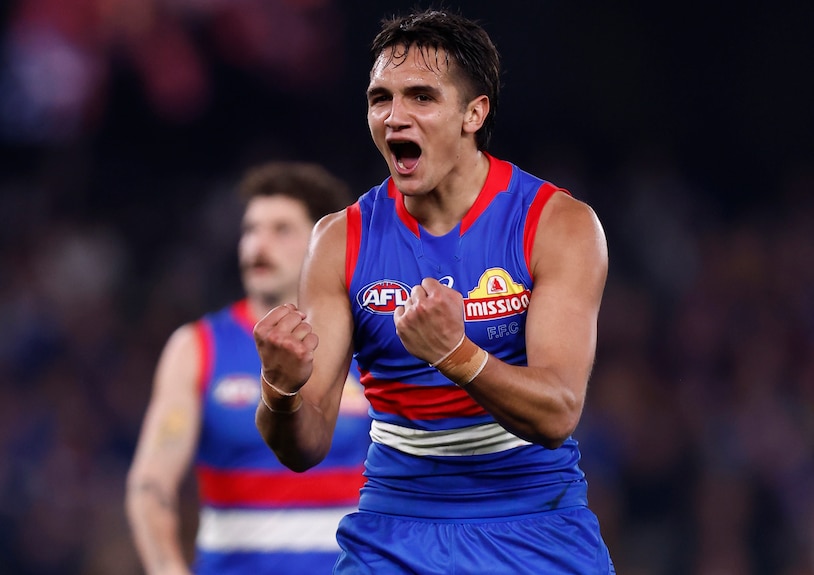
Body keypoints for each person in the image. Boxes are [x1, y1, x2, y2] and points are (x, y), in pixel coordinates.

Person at [253, 8, 615, 575]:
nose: (396, 117)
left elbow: (558, 413)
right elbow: (306, 446)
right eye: (380, 99)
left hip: (533, 524)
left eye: (422, 97)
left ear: (475, 113)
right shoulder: (339, 239)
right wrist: (279, 388)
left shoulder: (556, 224)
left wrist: (454, 353)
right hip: (394, 533)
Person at [125, 162, 371, 575]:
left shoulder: (370, 345)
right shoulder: (196, 348)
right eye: (250, 229)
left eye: (281, 230)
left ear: (323, 242)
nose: (258, 245)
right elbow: (151, 486)